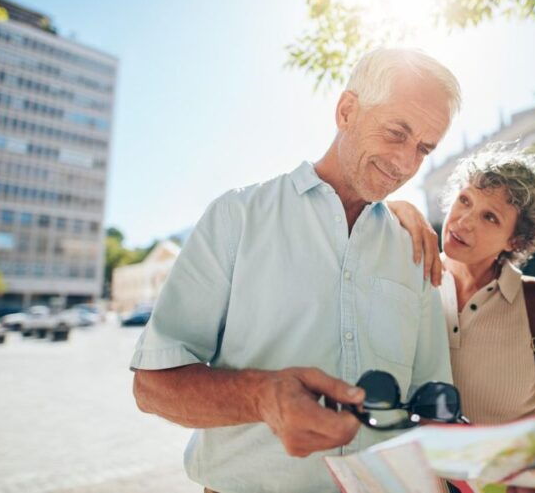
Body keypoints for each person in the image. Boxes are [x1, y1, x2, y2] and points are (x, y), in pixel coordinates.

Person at [130, 48, 460, 493]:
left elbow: (430, 405)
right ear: (347, 111)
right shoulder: (238, 217)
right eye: (395, 133)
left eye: (423, 149)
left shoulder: (413, 249)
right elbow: (152, 386)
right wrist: (261, 398)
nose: (405, 163)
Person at [390, 146, 535, 493]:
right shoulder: (404, 279)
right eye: (464, 200)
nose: (464, 221)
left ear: (516, 240)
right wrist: (393, 207)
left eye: (489, 217)